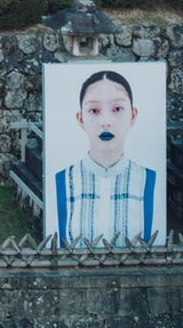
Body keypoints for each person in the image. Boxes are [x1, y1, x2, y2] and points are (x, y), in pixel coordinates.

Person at [52, 68, 156, 245]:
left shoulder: (148, 179)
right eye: (94, 110)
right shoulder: (63, 180)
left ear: (133, 115)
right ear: (80, 118)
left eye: (117, 109)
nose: (106, 121)